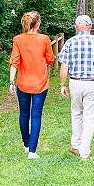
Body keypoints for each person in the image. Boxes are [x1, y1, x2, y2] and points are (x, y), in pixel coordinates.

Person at [58, 14, 94, 160]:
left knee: (76, 113)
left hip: (75, 82)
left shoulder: (70, 42)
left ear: (76, 28)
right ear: (90, 26)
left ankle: (75, 146)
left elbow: (64, 66)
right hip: (92, 82)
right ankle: (84, 152)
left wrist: (62, 85)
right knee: (89, 117)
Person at [9, 11, 56, 159]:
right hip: (40, 84)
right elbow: (50, 59)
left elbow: (14, 62)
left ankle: (26, 144)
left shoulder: (18, 39)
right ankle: (32, 151)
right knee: (36, 116)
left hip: (23, 83)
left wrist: (11, 81)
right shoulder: (44, 39)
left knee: (23, 114)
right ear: (37, 24)